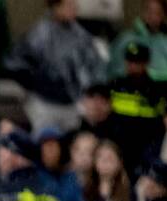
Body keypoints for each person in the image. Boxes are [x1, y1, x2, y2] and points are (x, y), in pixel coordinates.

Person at [8, 0, 105, 134]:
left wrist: (90, 94)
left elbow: (94, 66)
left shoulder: (81, 35)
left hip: (72, 104)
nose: (73, 9)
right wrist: (35, 83)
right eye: (68, 5)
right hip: (44, 103)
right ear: (56, 7)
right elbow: (16, 63)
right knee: (45, 144)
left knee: (71, 145)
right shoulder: (39, 34)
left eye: (74, 5)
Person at [102, 41, 167, 169]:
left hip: (147, 148)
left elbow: (165, 119)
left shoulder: (158, 90)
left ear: (146, 63)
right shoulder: (116, 85)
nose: (133, 66)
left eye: (137, 62)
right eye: (130, 61)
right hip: (120, 145)